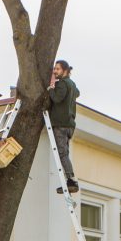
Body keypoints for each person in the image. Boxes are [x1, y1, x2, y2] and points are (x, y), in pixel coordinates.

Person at [47, 59, 80, 193]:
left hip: (60, 123)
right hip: (70, 124)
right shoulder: (72, 84)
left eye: (58, 69)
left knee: (62, 153)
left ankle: (70, 180)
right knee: (65, 153)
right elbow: (77, 93)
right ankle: (69, 179)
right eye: (54, 69)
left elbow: (57, 98)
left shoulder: (61, 84)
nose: (55, 71)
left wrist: (50, 89)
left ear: (65, 71)